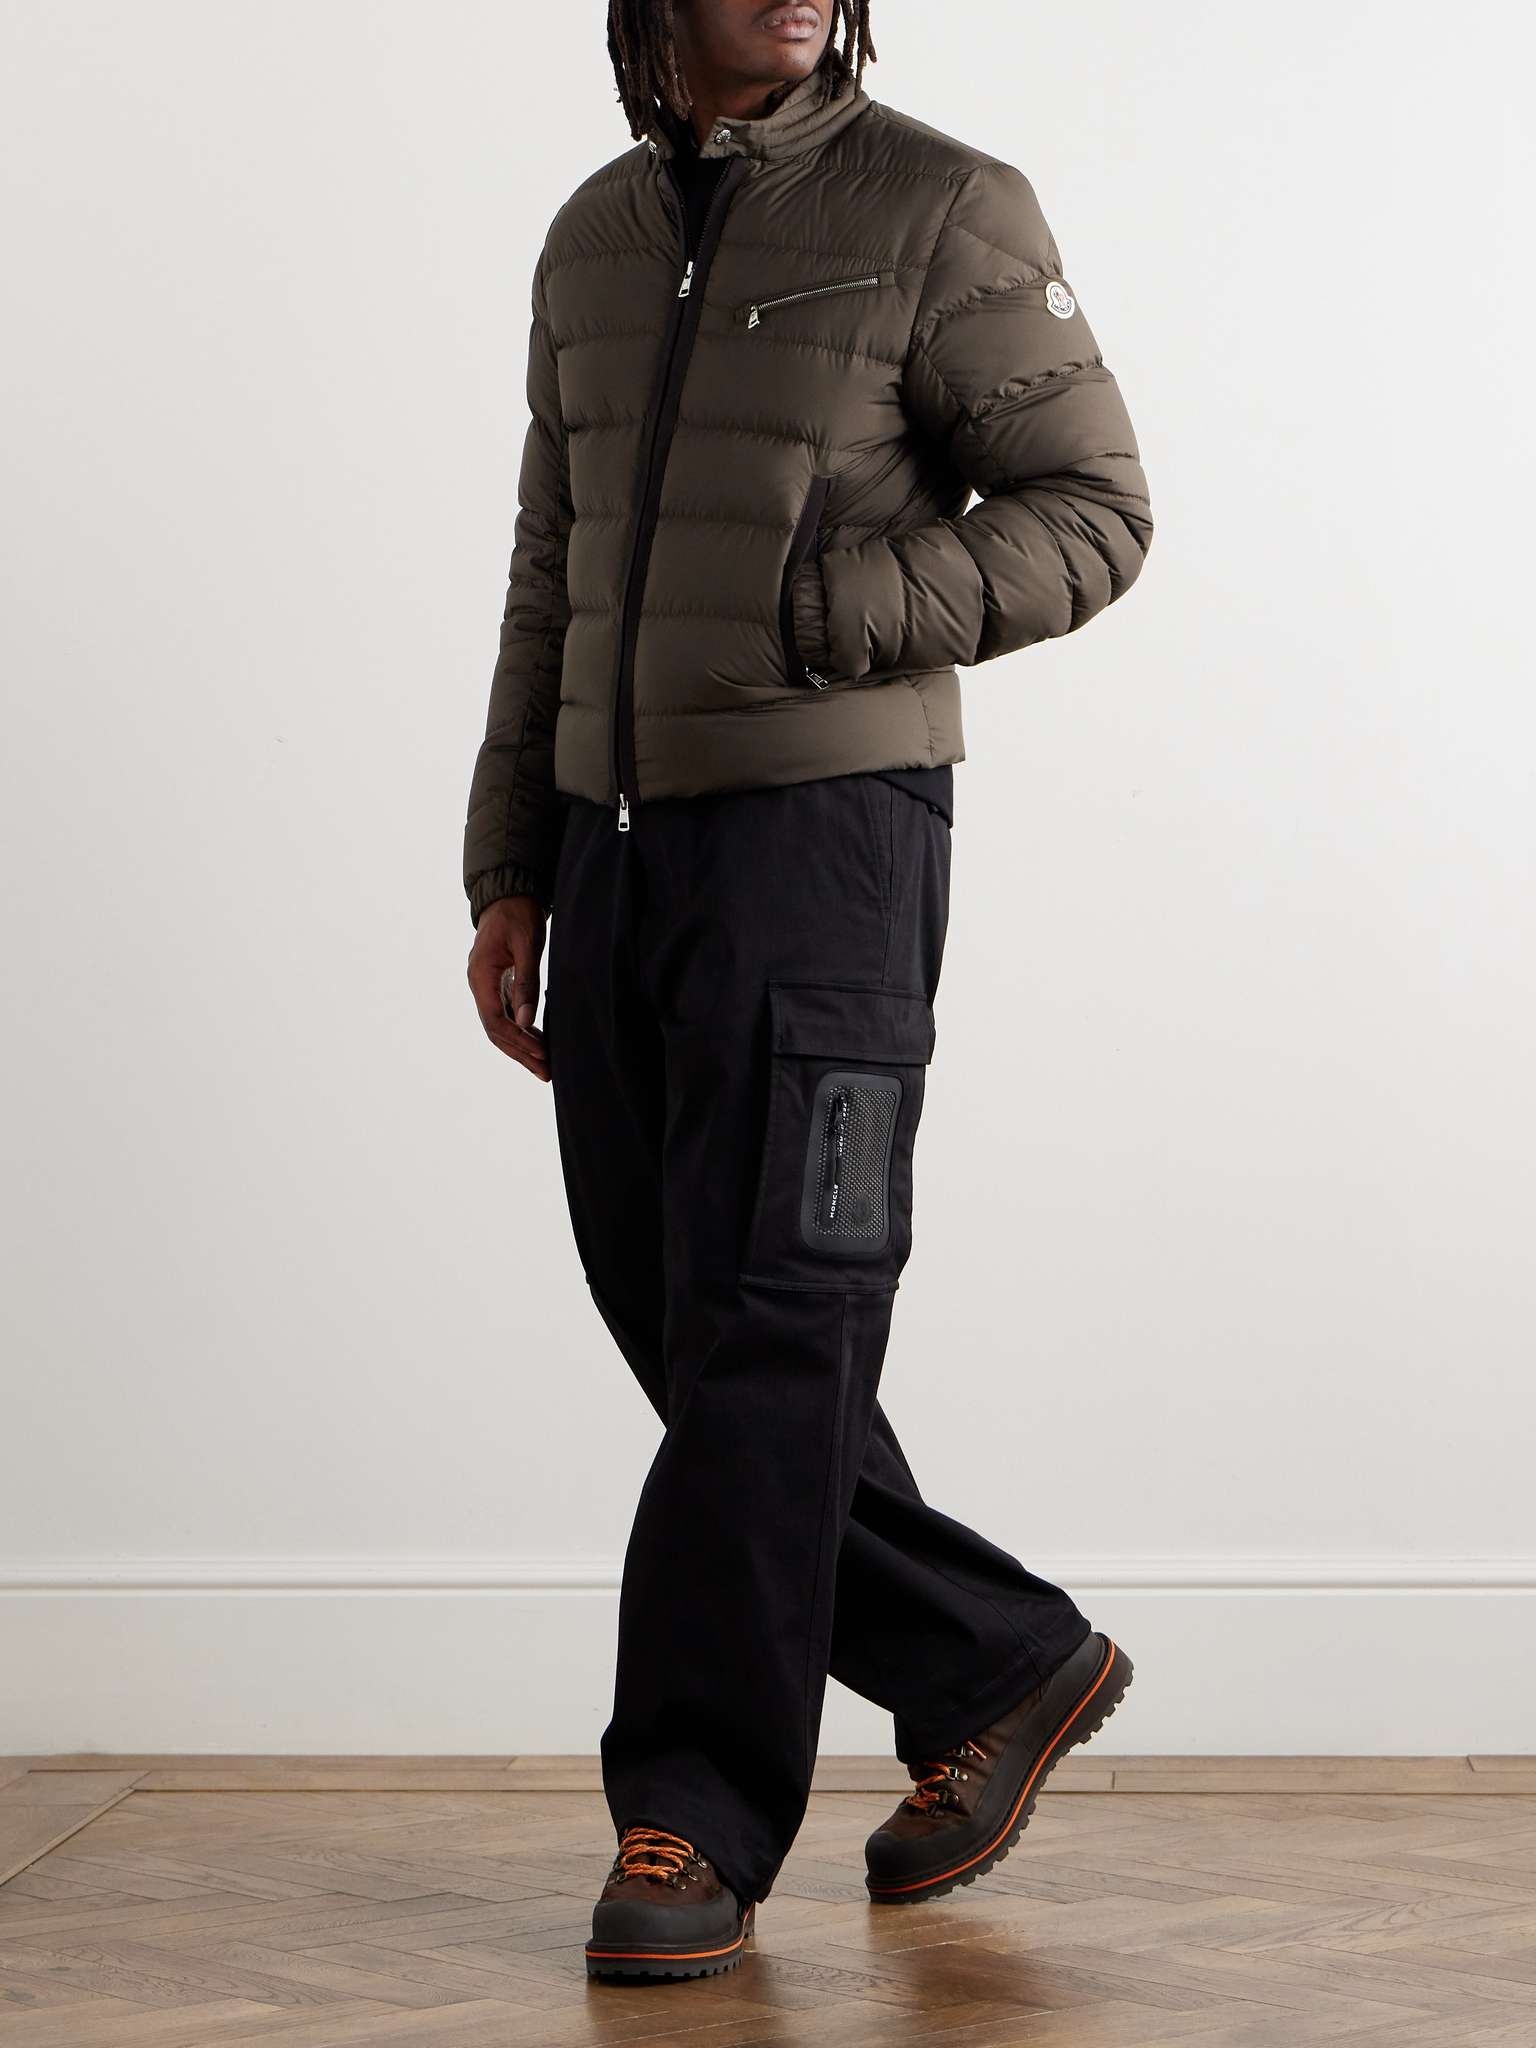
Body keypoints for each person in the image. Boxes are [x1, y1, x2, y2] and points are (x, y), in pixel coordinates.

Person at [464, 0, 1152, 1984]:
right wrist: (515, 858)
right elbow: (551, 567)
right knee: (677, 1309)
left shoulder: (944, 206)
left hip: (829, 849)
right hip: (621, 846)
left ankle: (695, 1807)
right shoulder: (595, 237)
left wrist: (838, 608)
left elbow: (1096, 509)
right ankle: (995, 1658)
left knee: (778, 1317)